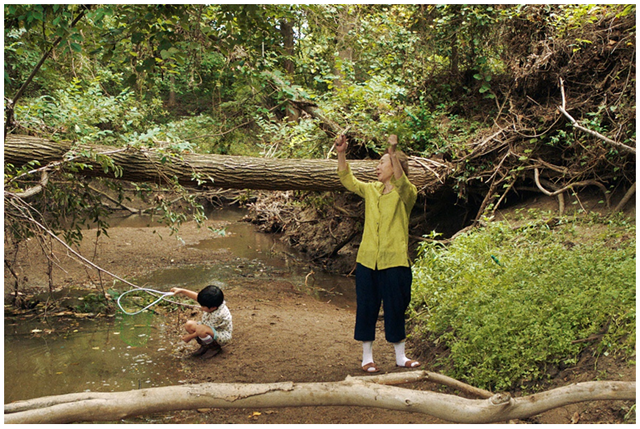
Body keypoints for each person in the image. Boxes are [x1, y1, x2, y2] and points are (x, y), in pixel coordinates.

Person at [336, 133, 421, 373]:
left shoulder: (407, 194)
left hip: (394, 263)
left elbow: (403, 183)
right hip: (367, 262)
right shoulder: (371, 190)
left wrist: (392, 153)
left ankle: (401, 357)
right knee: (367, 307)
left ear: (394, 167)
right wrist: (341, 153)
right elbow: (347, 179)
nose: (377, 168)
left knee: (396, 307)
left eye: (381, 163)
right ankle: (367, 357)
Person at [170, 285, 233, 359]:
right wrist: (181, 290)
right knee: (189, 325)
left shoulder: (219, 315)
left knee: (200, 330)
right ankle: (206, 345)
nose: (201, 307)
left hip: (221, 334)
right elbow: (196, 297)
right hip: (208, 328)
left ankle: (214, 347)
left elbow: (203, 329)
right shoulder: (213, 303)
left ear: (213, 308)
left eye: (203, 306)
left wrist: (189, 337)